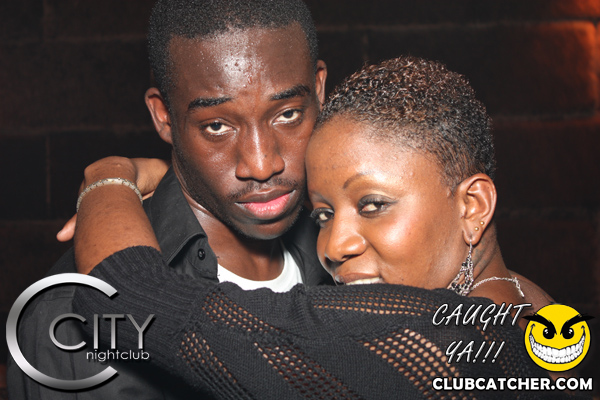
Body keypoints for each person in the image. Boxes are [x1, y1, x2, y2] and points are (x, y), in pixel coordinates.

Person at [70, 56, 579, 399]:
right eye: (323, 215)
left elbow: (130, 299)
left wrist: (109, 176)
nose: (334, 246)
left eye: (374, 204)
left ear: (473, 205)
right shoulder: (532, 309)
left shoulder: (429, 339)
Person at [7, 0, 332, 398]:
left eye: (288, 114)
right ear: (164, 117)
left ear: (319, 90)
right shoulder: (73, 315)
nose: (262, 164)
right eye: (217, 126)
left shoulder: (351, 255)